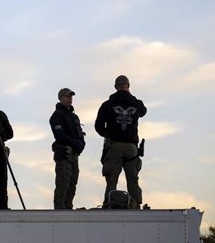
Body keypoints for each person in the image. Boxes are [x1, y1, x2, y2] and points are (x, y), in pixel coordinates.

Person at [94, 75, 147, 207]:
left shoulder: (107, 105)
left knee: (111, 179)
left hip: (114, 146)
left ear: (115, 87)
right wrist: (130, 96)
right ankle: (136, 207)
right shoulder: (135, 103)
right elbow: (143, 111)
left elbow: (98, 126)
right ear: (128, 86)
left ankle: (109, 205)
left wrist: (108, 135)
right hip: (131, 148)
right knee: (133, 179)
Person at [49, 88, 86, 210]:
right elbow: (60, 136)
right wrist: (76, 143)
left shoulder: (74, 117)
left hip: (74, 155)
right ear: (60, 98)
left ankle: (68, 208)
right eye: (66, 96)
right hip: (64, 155)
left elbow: (79, 134)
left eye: (71, 96)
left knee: (72, 185)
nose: (70, 98)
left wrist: (81, 144)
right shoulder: (56, 116)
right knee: (63, 184)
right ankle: (60, 211)